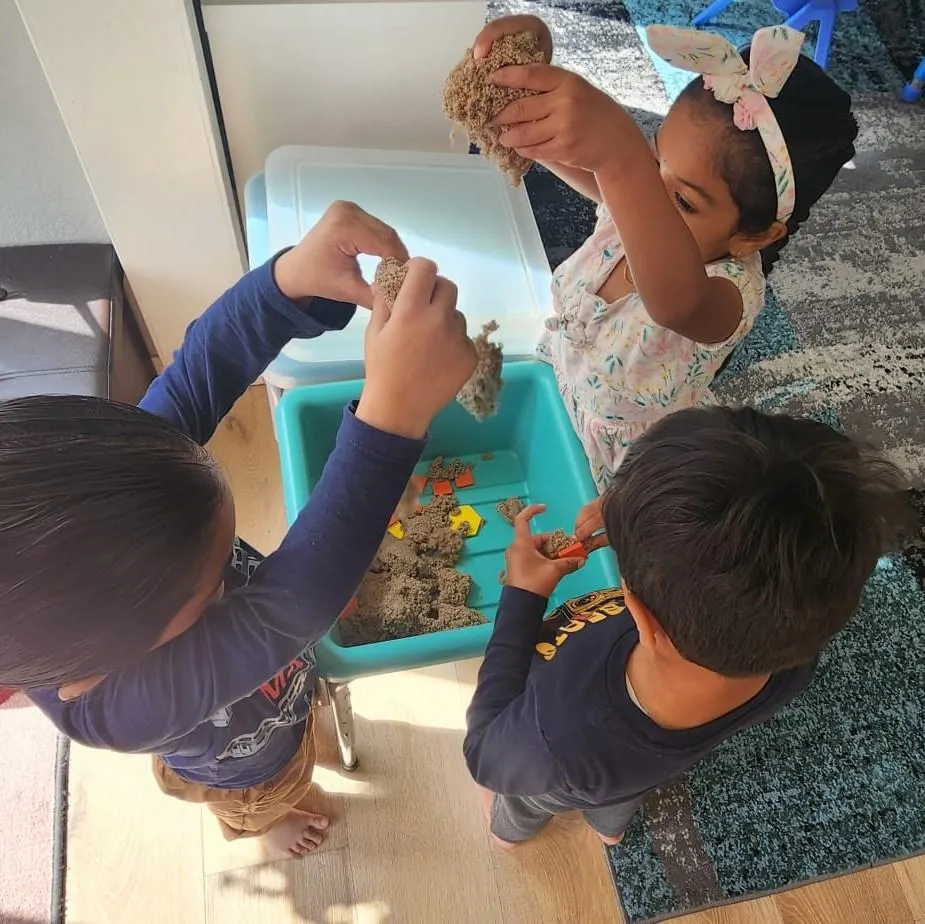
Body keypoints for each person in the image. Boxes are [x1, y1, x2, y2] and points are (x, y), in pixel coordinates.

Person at [0, 201, 477, 858]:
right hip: (238, 760)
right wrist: (390, 420)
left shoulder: (112, 504)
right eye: (212, 574)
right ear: (91, 673)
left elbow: (201, 372)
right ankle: (253, 831)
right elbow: (282, 612)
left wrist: (285, 285)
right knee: (262, 793)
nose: (233, 563)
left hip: (277, 687)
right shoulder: (109, 710)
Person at [464, 406, 910, 847]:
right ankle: (610, 827)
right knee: (620, 788)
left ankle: (507, 834)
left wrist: (522, 596)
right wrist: (636, 517)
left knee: (524, 803)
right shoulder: (793, 649)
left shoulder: (550, 736)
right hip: (633, 765)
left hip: (565, 771)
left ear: (638, 612)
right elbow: (738, 562)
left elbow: (484, 753)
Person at [472, 16, 858, 493]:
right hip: (553, 391)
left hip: (617, 470)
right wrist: (525, 94)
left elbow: (675, 303)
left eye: (683, 200)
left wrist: (624, 157)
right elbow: (599, 173)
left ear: (754, 237)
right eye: (654, 162)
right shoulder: (637, 200)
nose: (648, 192)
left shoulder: (726, 295)